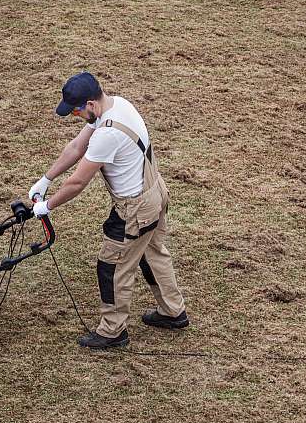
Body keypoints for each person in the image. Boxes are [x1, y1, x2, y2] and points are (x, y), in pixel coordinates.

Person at [29, 72, 189, 349]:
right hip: (154, 192)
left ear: (91, 104)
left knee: (111, 267)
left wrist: (47, 206)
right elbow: (78, 146)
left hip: (134, 208)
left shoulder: (108, 134)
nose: (76, 115)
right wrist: (46, 179)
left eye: (77, 111)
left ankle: (113, 331)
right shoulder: (118, 105)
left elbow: (78, 181)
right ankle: (173, 311)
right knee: (153, 255)